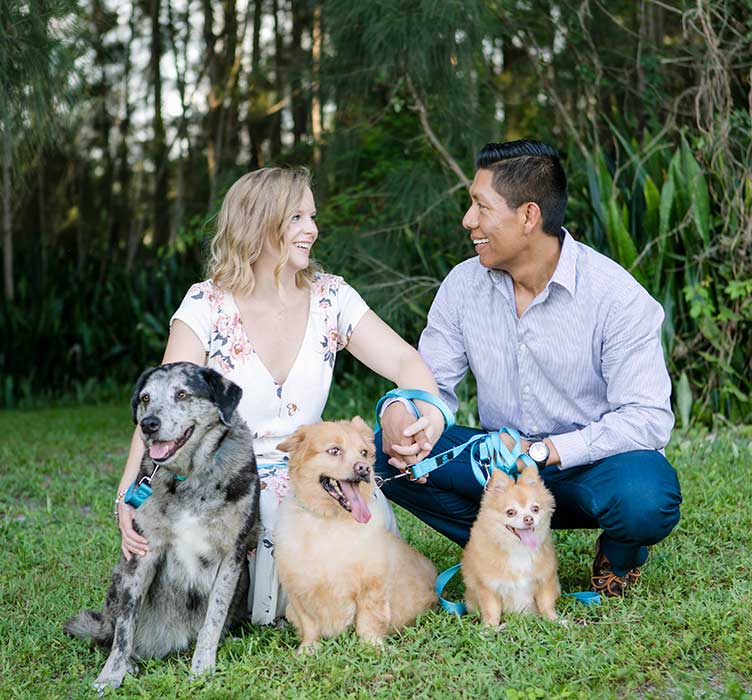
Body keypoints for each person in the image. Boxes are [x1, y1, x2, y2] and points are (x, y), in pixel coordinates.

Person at [116, 166, 443, 625]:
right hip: (229, 483)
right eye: (296, 218)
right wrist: (129, 492)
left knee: (356, 533)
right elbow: (160, 406)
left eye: (311, 216)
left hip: (318, 477)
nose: (312, 229)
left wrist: (424, 415)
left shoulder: (332, 298)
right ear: (258, 223)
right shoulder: (206, 304)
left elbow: (407, 363)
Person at [376, 140, 682, 597]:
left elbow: (648, 419)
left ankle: (620, 557)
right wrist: (410, 417)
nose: (468, 220)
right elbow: (433, 386)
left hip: (587, 467)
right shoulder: (463, 286)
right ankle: (513, 550)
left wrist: (546, 451)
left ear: (528, 216)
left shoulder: (617, 297)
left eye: (481, 206)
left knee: (647, 496)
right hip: (497, 464)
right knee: (384, 455)